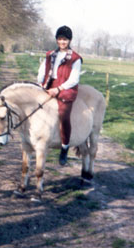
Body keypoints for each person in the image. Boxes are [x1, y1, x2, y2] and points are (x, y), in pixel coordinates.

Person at [37, 25, 82, 165]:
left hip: (66, 88)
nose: (62, 42)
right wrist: (40, 83)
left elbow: (74, 79)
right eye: (60, 39)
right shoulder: (50, 54)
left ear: (69, 41)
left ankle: (65, 147)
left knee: (63, 115)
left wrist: (58, 89)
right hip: (49, 85)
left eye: (65, 39)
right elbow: (42, 71)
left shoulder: (75, 58)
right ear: (57, 39)